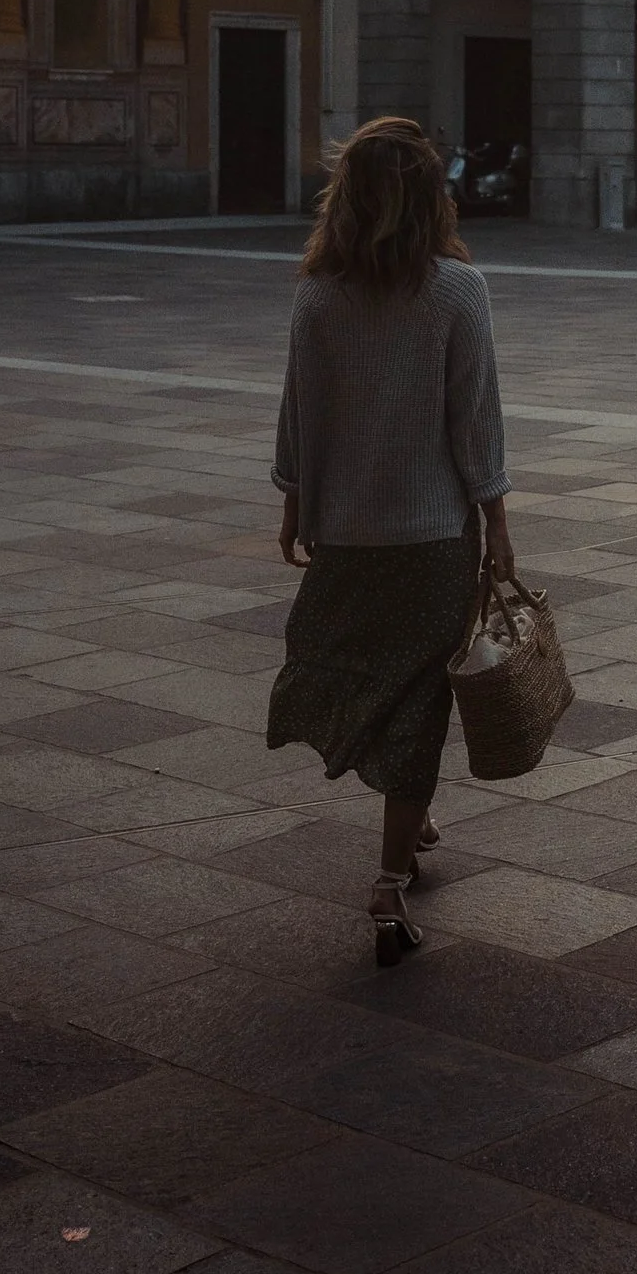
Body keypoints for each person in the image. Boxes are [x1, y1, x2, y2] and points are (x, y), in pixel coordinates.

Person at [267, 115, 515, 962]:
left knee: (357, 668)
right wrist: (498, 521)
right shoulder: (456, 290)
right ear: (427, 199)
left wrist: (296, 501)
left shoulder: (317, 293)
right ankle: (385, 880)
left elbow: (300, 406)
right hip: (433, 534)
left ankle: (408, 822)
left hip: (348, 532)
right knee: (420, 701)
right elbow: (473, 421)